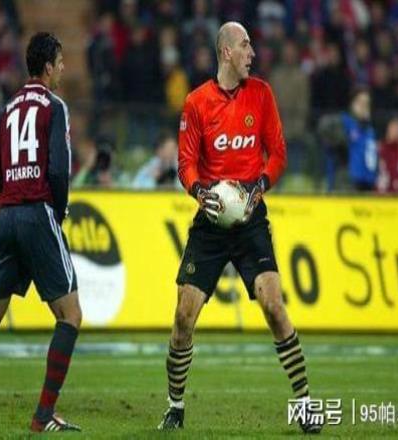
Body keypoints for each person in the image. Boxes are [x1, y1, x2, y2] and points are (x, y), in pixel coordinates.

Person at [157, 22, 321, 434]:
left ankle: (305, 404)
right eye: (245, 45)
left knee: (274, 307)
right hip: (211, 221)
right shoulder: (196, 102)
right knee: (183, 316)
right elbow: (185, 163)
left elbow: (277, 153)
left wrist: (258, 187)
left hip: (250, 218)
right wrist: (200, 192)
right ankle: (175, 406)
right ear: (226, 52)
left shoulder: (261, 94)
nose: (252, 53)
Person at [0, 32, 82, 433]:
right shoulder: (54, 107)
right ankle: (43, 415)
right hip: (37, 213)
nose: (63, 68)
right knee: (71, 316)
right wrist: (57, 212)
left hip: (5, 218)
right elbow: (58, 168)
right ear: (48, 67)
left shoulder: (6, 111)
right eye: (60, 62)